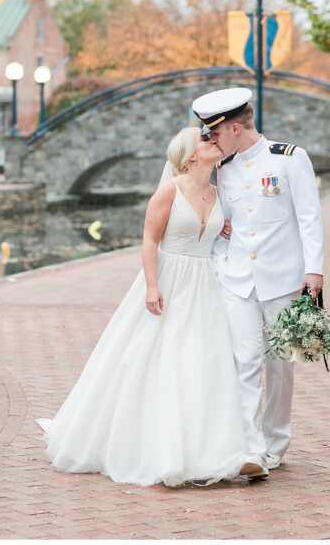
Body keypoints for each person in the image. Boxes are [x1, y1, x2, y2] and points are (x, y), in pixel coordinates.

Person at [38, 127, 257, 486]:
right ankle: (154, 447)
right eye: (205, 140)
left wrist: (224, 229)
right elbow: (149, 241)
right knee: (157, 357)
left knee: (203, 363)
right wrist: (152, 285)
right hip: (169, 279)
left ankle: (208, 448)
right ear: (189, 155)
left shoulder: (218, 193)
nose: (213, 141)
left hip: (204, 287)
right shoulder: (169, 190)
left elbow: (215, 232)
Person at [194, 87, 324, 473]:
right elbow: (222, 226)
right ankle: (250, 449)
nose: (209, 139)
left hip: (282, 280)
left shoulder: (290, 158)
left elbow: (310, 217)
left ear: (235, 127)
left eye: (213, 132)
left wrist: (314, 270)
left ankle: (275, 442)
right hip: (237, 280)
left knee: (280, 363)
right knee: (245, 361)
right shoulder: (225, 167)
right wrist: (219, 264)